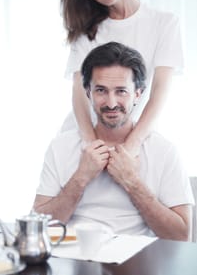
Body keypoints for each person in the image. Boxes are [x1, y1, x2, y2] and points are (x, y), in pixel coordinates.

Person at [33, 41, 193, 241]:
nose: (111, 103)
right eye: (101, 90)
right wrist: (81, 178)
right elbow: (39, 228)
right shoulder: (61, 147)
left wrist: (132, 182)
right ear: (88, 92)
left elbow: (181, 235)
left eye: (121, 91)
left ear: (137, 94)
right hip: (75, 258)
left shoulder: (164, 151)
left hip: (137, 261)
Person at [60, 0, 184, 157]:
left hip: (132, 139)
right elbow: (79, 96)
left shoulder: (164, 23)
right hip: (84, 141)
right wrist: (92, 146)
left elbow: (159, 92)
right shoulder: (88, 31)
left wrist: (131, 146)